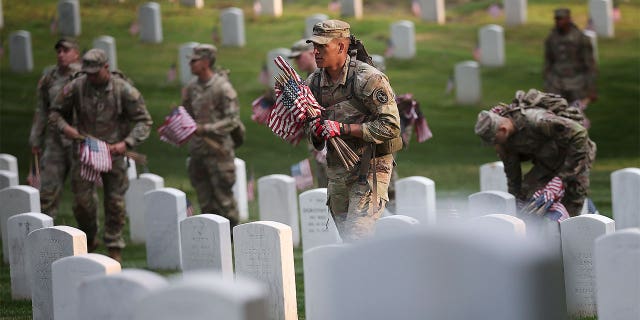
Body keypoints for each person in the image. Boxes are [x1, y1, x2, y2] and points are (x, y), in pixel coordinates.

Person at [49, 49, 153, 262]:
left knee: (115, 203)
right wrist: (67, 129)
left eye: (96, 72)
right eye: (88, 73)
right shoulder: (77, 87)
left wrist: (127, 143)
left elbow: (144, 120)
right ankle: (90, 236)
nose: (92, 77)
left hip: (114, 154)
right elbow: (55, 112)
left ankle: (114, 247)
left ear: (107, 67)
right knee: (82, 203)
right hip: (85, 153)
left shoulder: (123, 90)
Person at [305, 20, 402, 241]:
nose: (315, 52)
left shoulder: (368, 79)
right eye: (314, 46)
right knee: (349, 242)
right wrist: (318, 132)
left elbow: (391, 125)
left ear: (341, 46)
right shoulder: (313, 83)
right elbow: (311, 130)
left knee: (358, 238)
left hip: (371, 167)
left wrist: (344, 128)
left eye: (322, 46)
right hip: (338, 169)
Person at [474, 94, 596, 217]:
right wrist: (517, 201)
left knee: (571, 207)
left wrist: (559, 181)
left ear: (503, 130)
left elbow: (579, 134)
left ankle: (581, 218)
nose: (495, 145)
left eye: (494, 140)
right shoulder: (505, 141)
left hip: (575, 158)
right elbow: (512, 174)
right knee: (528, 198)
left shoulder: (537, 120)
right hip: (548, 162)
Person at [182, 44, 243, 229]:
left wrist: (206, 128)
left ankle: (233, 235)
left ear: (206, 62)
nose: (190, 64)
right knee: (205, 201)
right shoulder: (191, 88)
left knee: (224, 200)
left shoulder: (222, 87)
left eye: (195, 60)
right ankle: (213, 241)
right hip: (198, 152)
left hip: (219, 151)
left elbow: (232, 120)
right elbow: (186, 115)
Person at [28, 38, 81, 218]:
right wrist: (36, 139)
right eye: (58, 51)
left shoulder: (85, 77)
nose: (61, 55)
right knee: (47, 192)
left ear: (76, 53)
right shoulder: (49, 78)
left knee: (83, 194)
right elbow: (42, 110)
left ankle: (89, 238)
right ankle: (44, 234)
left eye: (66, 51)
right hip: (54, 142)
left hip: (78, 141)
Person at [289, 39, 329, 188]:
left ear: (313, 53)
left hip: (334, 141)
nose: (296, 62)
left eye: (299, 57)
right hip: (317, 143)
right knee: (324, 189)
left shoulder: (327, 77)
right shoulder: (306, 82)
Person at [543, 8, 598, 107]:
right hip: (557, 82)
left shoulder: (581, 38)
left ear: (568, 19)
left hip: (576, 81)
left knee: (576, 113)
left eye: (561, 19)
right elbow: (548, 62)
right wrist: (547, 83)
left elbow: (589, 64)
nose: (558, 22)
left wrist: (591, 88)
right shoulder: (551, 38)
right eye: (557, 19)